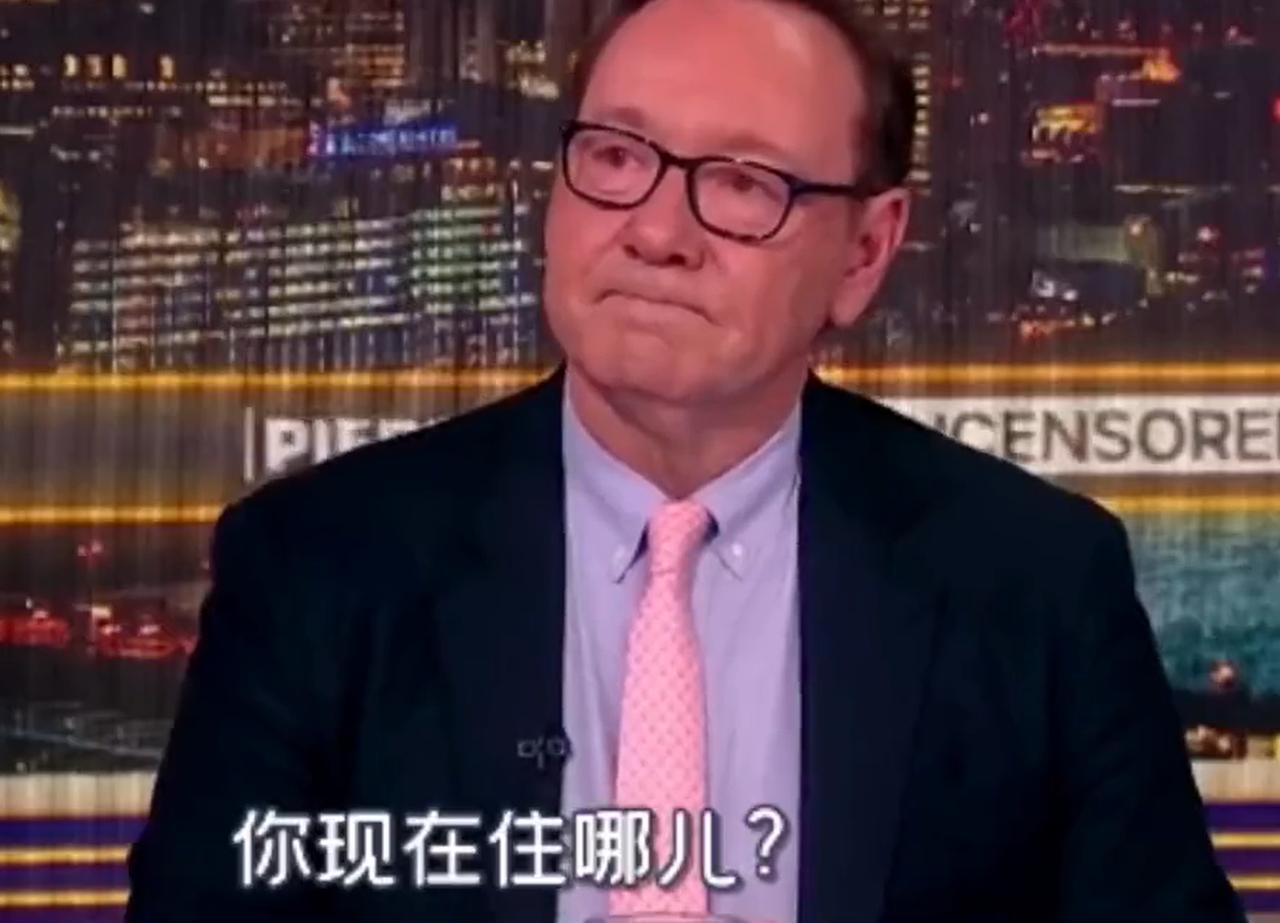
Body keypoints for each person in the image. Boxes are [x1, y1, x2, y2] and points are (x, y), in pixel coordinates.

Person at [125, 0, 1244, 920]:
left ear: (865, 252)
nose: (656, 232)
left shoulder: (1033, 579)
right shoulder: (319, 563)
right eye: (616, 157)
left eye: (743, 182)